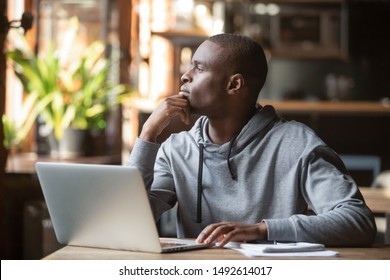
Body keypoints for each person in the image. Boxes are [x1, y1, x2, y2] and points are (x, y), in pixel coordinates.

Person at [126, 33, 376, 247]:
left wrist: (262, 230)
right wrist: (148, 134)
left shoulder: (296, 143)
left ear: (234, 84)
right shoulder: (176, 149)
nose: (185, 76)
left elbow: (358, 221)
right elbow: (129, 221)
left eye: (199, 68)